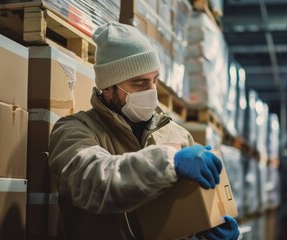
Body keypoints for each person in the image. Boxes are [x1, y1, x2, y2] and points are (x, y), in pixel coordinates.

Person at [48, 21, 240, 240]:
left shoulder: (177, 135)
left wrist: (206, 229)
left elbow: (186, 217)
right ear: (108, 88)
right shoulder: (75, 130)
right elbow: (92, 181)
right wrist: (168, 162)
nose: (151, 91)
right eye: (139, 83)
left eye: (154, 80)